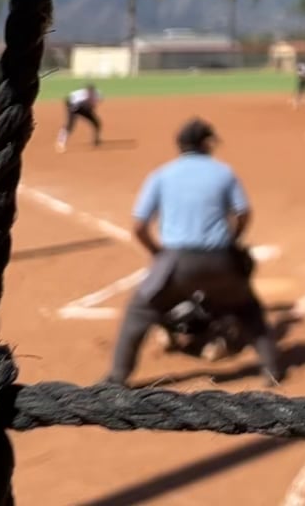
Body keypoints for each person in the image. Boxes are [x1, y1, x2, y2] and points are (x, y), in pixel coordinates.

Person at [105, 117, 283, 386]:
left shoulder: (162, 175)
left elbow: (139, 226)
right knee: (248, 309)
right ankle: (272, 369)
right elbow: (244, 214)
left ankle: (117, 377)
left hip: (176, 262)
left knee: (140, 310)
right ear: (206, 144)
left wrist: (157, 252)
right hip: (221, 260)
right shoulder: (224, 173)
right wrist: (232, 240)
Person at [57, 82, 102, 152]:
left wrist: (90, 108)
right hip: (73, 107)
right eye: (89, 92)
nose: (90, 93)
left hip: (84, 109)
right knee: (70, 125)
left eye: (91, 92)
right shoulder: (79, 95)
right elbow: (67, 101)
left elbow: (95, 103)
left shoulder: (97, 95)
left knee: (96, 123)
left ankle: (96, 140)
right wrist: (72, 109)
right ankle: (61, 142)